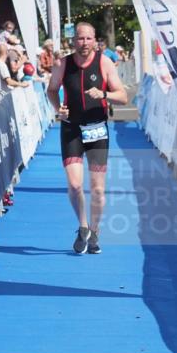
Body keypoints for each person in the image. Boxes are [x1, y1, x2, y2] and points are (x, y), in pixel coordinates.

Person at [47, 23, 128, 254]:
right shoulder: (63, 63)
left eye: (88, 39)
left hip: (97, 130)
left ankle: (95, 231)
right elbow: (52, 90)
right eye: (80, 39)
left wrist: (104, 94)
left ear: (95, 40)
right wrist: (58, 108)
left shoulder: (104, 62)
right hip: (71, 128)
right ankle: (82, 226)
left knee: (98, 190)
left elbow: (123, 96)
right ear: (74, 40)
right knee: (74, 185)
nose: (84, 43)